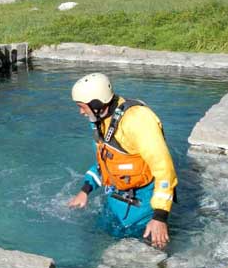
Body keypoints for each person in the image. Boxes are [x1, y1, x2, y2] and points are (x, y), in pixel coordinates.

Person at [66, 73, 177, 248]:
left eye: (82, 107)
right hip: (115, 201)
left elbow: (164, 168)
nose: (80, 112)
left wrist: (160, 217)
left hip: (145, 209)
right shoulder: (100, 120)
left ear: (97, 105)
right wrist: (86, 189)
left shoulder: (137, 121)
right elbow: (106, 162)